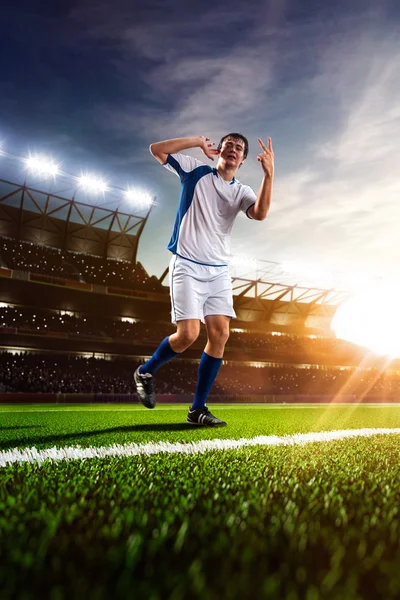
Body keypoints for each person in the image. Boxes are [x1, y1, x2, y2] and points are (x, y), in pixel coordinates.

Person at [134, 133, 274, 426]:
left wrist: (269, 176)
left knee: (220, 334)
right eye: (229, 145)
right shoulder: (194, 170)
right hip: (187, 264)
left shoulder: (242, 191)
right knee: (187, 336)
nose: (233, 150)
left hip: (219, 271)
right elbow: (156, 149)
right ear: (220, 149)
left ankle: (197, 410)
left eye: (239, 148)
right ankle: (145, 371)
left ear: (244, 158)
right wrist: (196, 140)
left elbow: (259, 214)